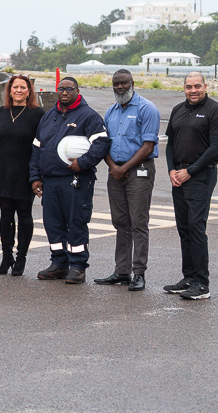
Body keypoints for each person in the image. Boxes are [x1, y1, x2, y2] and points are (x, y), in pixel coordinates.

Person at [29, 77, 108, 284]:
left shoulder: (88, 116)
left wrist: (83, 163)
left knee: (76, 222)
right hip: (50, 180)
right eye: (61, 89)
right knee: (53, 224)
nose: (64, 92)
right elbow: (37, 148)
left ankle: (78, 266)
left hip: (76, 180)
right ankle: (59, 263)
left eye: (69, 89)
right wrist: (35, 176)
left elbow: (100, 144)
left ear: (77, 90)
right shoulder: (48, 117)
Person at [163, 72, 218, 300]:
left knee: (196, 227)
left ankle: (202, 283)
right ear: (184, 88)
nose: (193, 90)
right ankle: (189, 277)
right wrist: (172, 169)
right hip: (179, 175)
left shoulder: (215, 111)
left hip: (200, 176)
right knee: (184, 228)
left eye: (197, 86)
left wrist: (190, 172)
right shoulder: (178, 110)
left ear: (205, 86)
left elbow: (215, 149)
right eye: (189, 86)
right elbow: (170, 143)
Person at [95, 70, 160, 292]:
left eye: (123, 83)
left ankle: (139, 273)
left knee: (138, 223)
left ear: (133, 83)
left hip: (139, 171)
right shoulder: (111, 112)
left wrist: (124, 168)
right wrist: (114, 167)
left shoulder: (147, 108)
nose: (119, 87)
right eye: (116, 84)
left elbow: (148, 146)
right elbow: (104, 143)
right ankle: (122, 271)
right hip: (116, 173)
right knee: (120, 222)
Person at [0, 74, 44, 276]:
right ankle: (6, 257)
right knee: (5, 216)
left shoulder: (37, 113)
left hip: (25, 173)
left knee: (24, 215)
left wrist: (38, 175)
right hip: (3, 171)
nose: (19, 91)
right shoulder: (3, 112)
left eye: (23, 87)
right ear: (9, 90)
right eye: (15, 87)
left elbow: (41, 145)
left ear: (29, 91)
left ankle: (21, 258)